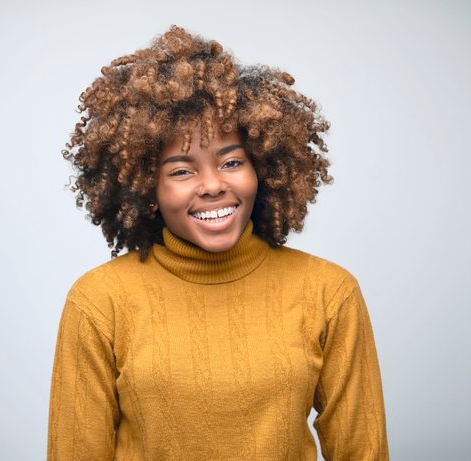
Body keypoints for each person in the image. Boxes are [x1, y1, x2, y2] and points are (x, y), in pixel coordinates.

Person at [47, 25, 389, 460]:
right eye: (181, 170)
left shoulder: (328, 292)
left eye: (231, 161)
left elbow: (363, 451)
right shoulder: (99, 301)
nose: (212, 185)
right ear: (147, 189)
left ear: (262, 168)